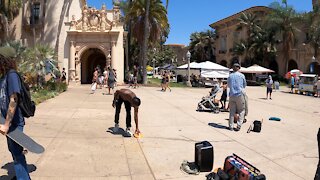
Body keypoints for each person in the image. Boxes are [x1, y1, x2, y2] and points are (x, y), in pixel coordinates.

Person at [0, 47, 31, 179]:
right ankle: (21, 176)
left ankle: (23, 178)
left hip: (14, 122)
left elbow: (14, 99)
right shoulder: (4, 76)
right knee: (14, 151)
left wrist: (6, 124)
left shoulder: (12, 75)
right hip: (7, 122)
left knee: (17, 153)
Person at [227, 63, 246, 131]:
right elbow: (244, 85)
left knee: (232, 111)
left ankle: (231, 126)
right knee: (241, 110)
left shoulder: (230, 76)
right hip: (239, 95)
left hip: (232, 95)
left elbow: (228, 85)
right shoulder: (242, 75)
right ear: (239, 68)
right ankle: (239, 125)